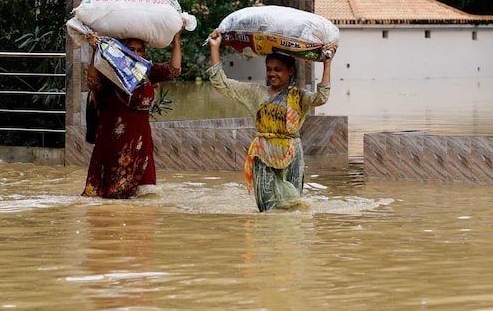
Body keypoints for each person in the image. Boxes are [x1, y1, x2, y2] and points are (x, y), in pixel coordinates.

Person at [206, 30, 333, 212]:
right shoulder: (256, 93)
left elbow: (322, 97)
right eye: (269, 69)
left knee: (293, 205)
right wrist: (214, 47)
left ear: (291, 71)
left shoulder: (298, 97)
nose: (272, 74)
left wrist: (327, 64)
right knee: (267, 210)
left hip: (291, 154)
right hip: (263, 153)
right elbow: (221, 83)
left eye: (278, 70)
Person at [82, 30, 181, 199]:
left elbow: (174, 70)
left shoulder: (147, 71)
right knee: (111, 196)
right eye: (131, 49)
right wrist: (95, 50)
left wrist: (177, 37)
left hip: (142, 143)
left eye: (140, 50)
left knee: (145, 197)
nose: (135, 53)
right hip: (114, 143)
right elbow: (92, 81)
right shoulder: (111, 73)